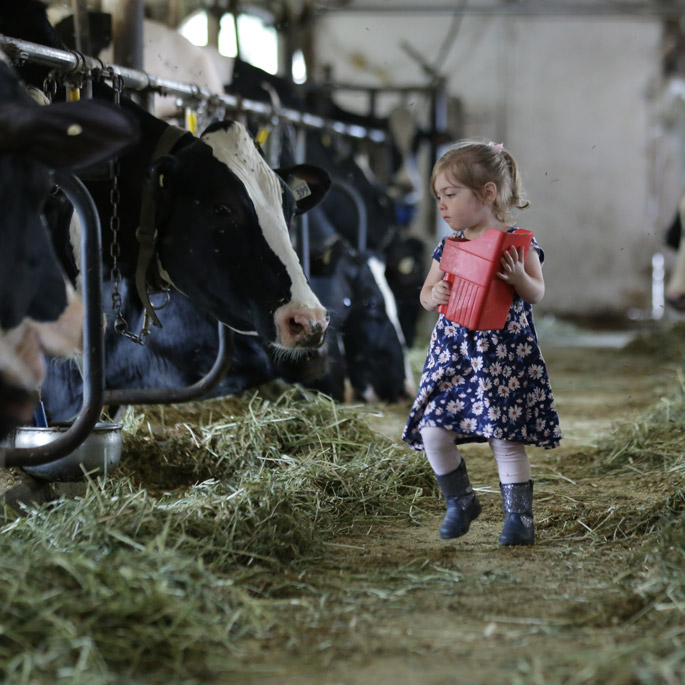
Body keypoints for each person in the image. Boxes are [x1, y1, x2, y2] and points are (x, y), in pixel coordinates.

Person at [402, 139, 562, 547]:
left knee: (505, 439)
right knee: (434, 430)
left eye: (451, 194)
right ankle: (460, 501)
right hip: (453, 356)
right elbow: (425, 294)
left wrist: (517, 278)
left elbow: (536, 293)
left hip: (502, 360)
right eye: (439, 196)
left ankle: (519, 519)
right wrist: (432, 297)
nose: (442, 204)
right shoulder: (449, 246)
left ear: (488, 193)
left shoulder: (518, 244)